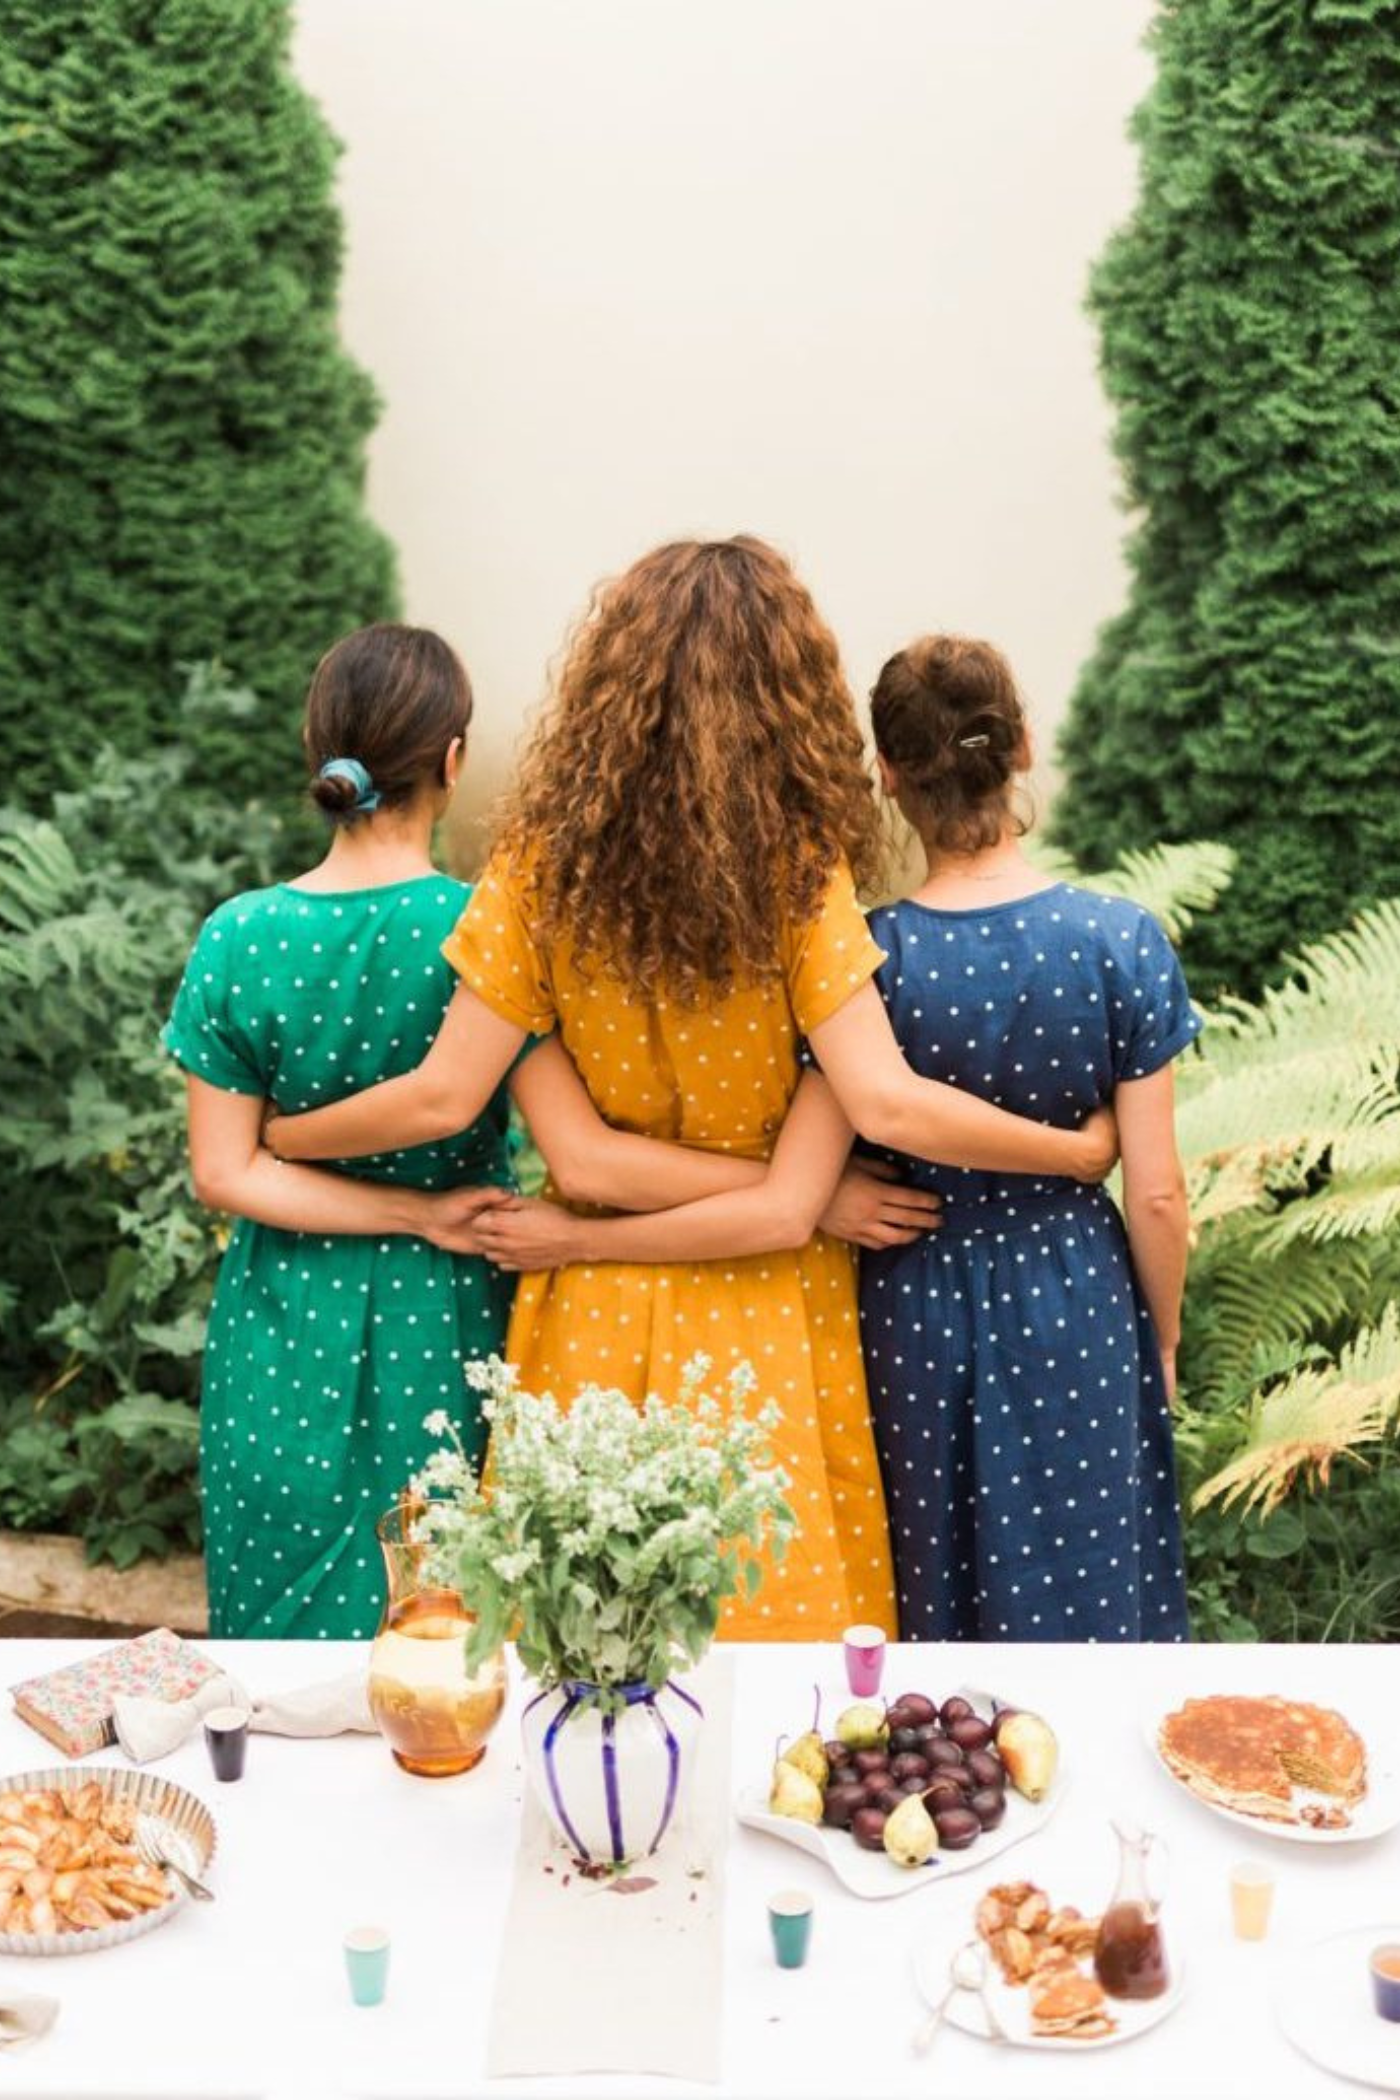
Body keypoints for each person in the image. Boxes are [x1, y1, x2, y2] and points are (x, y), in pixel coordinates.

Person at [266, 540, 1116, 1640]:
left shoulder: (532, 875)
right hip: (768, 1315)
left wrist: (282, 1135)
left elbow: (544, 1147)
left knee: (578, 1652)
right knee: (771, 1653)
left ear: (605, 690)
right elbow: (877, 1115)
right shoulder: (804, 883)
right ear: (791, 701)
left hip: (591, 1315)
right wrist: (1067, 1153)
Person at [163, 623, 522, 1639]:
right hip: (445, 1322)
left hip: (281, 1331)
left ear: (318, 749)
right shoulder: (483, 931)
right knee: (445, 1640)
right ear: (451, 762)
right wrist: (431, 1214)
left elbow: (224, 1173)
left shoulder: (239, 935)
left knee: (281, 1650)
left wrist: (398, 1210)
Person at [858, 634, 1197, 1641]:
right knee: (1085, 1570)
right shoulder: (1115, 940)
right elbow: (1157, 1194)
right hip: (1073, 1291)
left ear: (885, 774)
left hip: (909, 1290)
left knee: (927, 1568)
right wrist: (1164, 1339)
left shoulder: (868, 956)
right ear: (1021, 747)